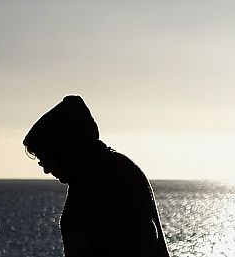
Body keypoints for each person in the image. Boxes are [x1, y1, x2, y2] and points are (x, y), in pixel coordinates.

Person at [23, 95, 171, 257]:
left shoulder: (111, 175)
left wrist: (91, 242)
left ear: (63, 150)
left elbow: (142, 236)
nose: (46, 170)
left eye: (46, 160)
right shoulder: (89, 177)